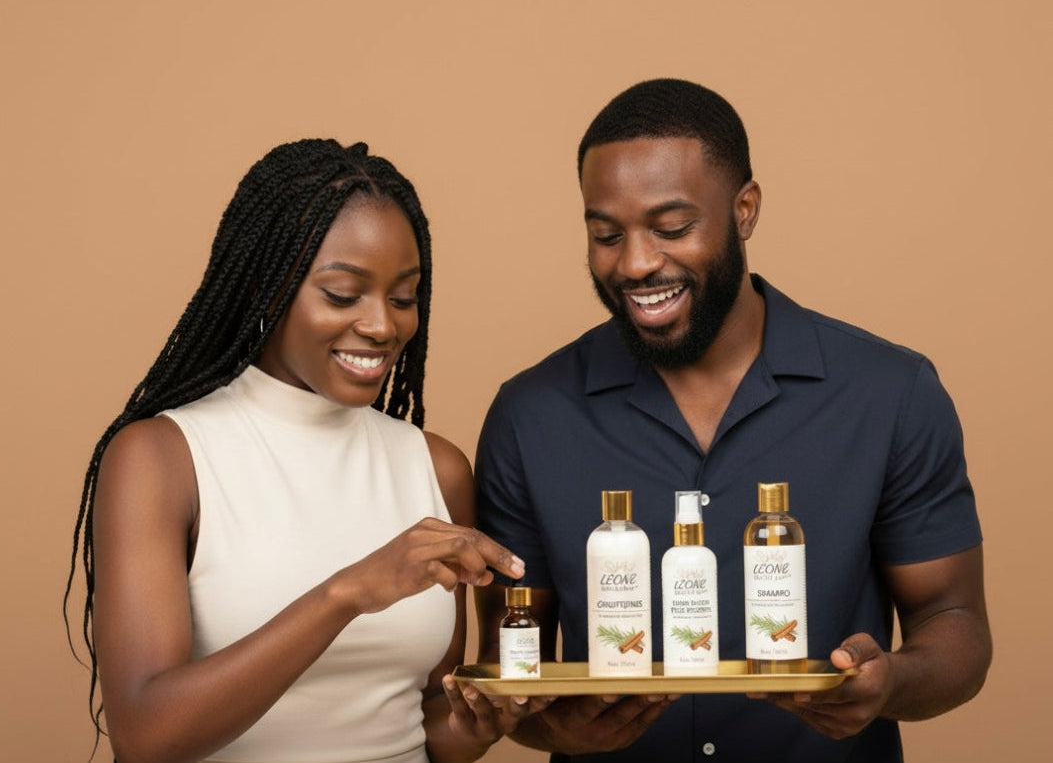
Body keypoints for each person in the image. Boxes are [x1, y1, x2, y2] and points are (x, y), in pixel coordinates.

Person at [474, 79, 991, 762]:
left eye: (671, 227)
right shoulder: (528, 414)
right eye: (605, 234)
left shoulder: (890, 393)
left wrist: (888, 681)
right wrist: (547, 729)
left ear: (743, 210)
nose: (634, 263)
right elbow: (513, 661)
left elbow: (952, 622)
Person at [63, 139, 545, 763]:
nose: (382, 325)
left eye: (403, 297)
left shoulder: (435, 467)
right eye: (343, 295)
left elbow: (426, 720)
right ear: (268, 286)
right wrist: (347, 594)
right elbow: (145, 734)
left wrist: (481, 724)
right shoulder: (162, 460)